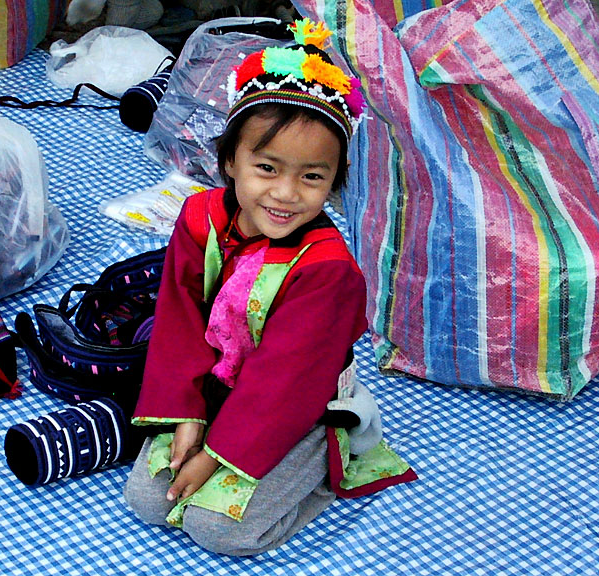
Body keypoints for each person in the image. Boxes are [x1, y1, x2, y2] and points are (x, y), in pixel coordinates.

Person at [124, 19, 412, 555]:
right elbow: (180, 319)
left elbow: (288, 378)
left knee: (219, 530)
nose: (285, 194)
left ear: (334, 181)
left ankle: (325, 466)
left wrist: (218, 454)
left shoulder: (327, 269)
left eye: (312, 176)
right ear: (229, 161)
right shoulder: (198, 218)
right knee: (147, 500)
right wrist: (188, 418)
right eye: (266, 167)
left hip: (291, 407)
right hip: (212, 390)